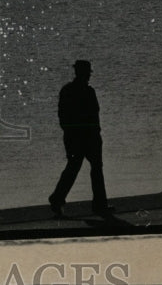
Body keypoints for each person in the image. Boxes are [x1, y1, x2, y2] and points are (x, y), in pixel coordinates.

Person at [48, 59, 112, 216]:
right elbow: (94, 116)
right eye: (87, 74)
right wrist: (96, 134)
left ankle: (58, 198)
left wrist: (70, 133)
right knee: (93, 168)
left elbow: (63, 117)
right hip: (87, 137)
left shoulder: (68, 90)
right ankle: (98, 205)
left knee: (75, 167)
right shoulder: (88, 92)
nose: (88, 77)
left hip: (76, 137)